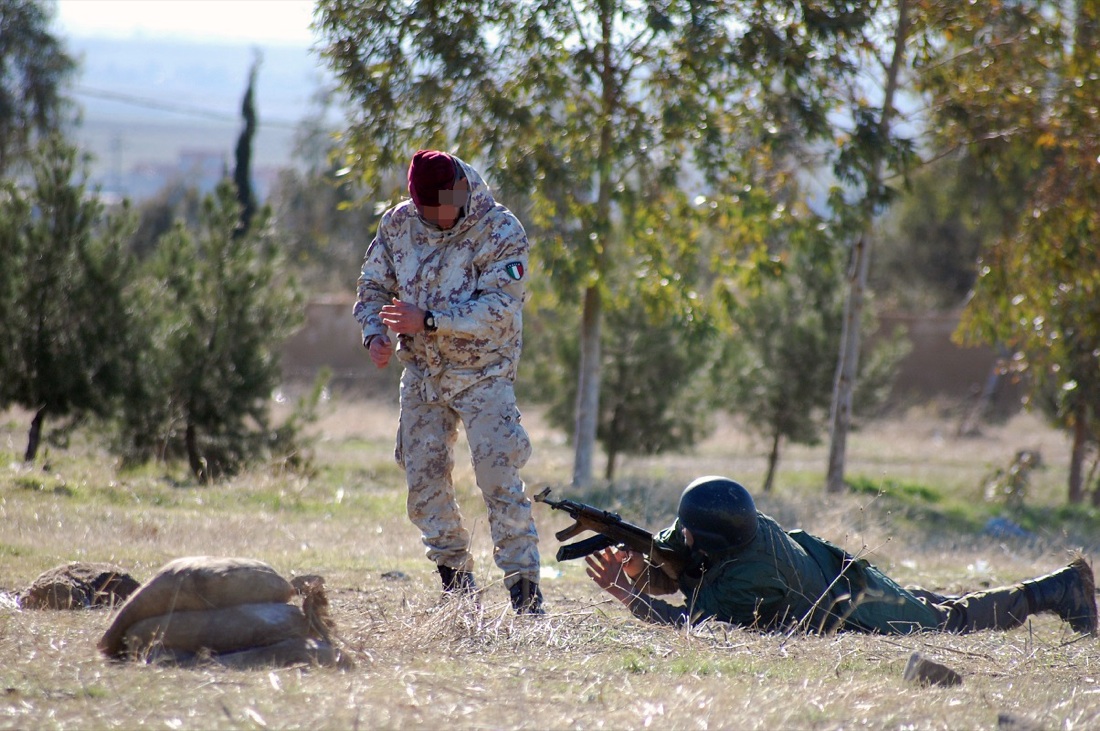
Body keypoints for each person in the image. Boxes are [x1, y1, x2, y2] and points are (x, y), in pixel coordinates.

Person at [354, 149, 543, 614]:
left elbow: (500, 310)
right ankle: (457, 587)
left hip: (484, 374)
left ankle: (525, 594)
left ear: (458, 191)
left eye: (438, 209)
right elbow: (373, 286)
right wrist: (374, 333)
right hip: (423, 375)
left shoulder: (500, 230)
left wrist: (429, 320)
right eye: (424, 210)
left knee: (498, 478)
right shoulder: (400, 224)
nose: (433, 219)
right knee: (423, 485)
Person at [585, 475, 1098, 635]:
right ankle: (1061, 588)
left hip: (849, 608)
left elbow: (694, 622)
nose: (682, 536)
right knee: (929, 600)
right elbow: (681, 558)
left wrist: (630, 595)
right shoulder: (737, 523)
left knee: (947, 622)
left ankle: (1056, 589)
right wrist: (644, 561)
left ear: (712, 539)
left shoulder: (750, 576)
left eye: (689, 533)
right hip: (834, 574)